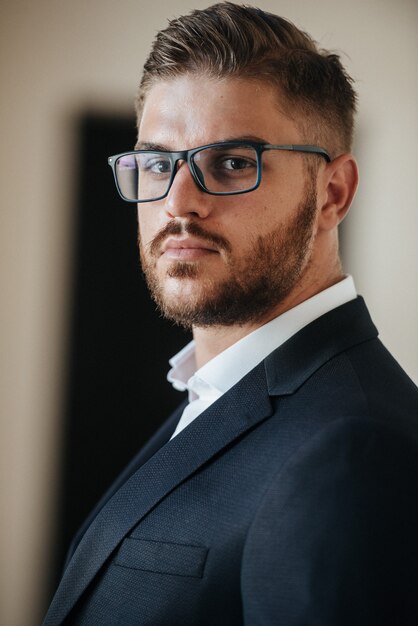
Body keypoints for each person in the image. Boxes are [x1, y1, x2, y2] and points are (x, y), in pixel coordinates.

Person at [44, 3, 418, 625]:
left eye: (233, 162)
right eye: (158, 163)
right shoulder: (211, 395)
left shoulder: (356, 451)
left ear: (333, 194)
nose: (178, 204)